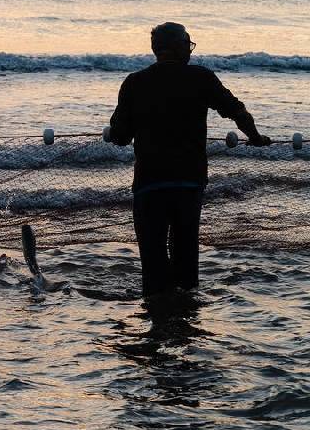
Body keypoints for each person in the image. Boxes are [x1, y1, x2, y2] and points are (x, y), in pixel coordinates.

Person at [109, 22, 270, 297]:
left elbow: (121, 136)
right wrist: (254, 136)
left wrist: (124, 131)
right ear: (178, 46)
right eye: (188, 43)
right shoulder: (201, 78)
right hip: (189, 181)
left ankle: (158, 315)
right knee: (186, 252)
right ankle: (185, 319)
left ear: (155, 48)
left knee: (153, 255)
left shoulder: (135, 82)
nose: (191, 49)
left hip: (150, 182)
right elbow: (237, 111)